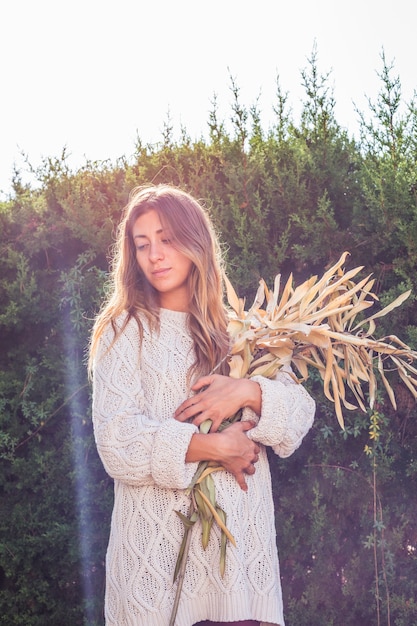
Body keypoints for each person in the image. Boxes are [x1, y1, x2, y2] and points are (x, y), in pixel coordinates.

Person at [88, 183, 315, 626]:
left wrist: (247, 391)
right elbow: (117, 441)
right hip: (158, 571)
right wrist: (212, 447)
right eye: (142, 244)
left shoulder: (244, 334)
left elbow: (298, 418)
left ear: (196, 242)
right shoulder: (123, 329)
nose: (155, 254)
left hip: (239, 573)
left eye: (167, 239)